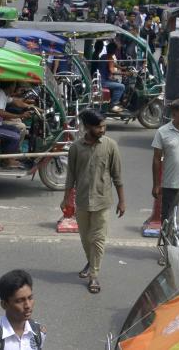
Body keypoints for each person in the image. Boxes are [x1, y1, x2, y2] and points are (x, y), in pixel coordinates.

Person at [62, 109, 125, 294]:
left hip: (102, 200)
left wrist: (122, 201)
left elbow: (117, 176)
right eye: (99, 127)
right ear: (88, 127)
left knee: (98, 239)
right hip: (82, 201)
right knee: (86, 238)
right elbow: (70, 176)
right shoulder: (75, 148)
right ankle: (91, 262)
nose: (102, 130)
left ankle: (94, 275)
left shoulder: (111, 146)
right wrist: (66, 199)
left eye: (104, 126)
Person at [0, 81, 38, 169]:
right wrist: (21, 115)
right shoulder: (0, 94)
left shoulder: (3, 94)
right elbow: (1, 113)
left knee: (16, 130)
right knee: (15, 137)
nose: (15, 86)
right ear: (11, 86)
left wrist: (33, 107)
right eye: (14, 84)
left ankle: (7, 157)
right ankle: (8, 161)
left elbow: (16, 102)